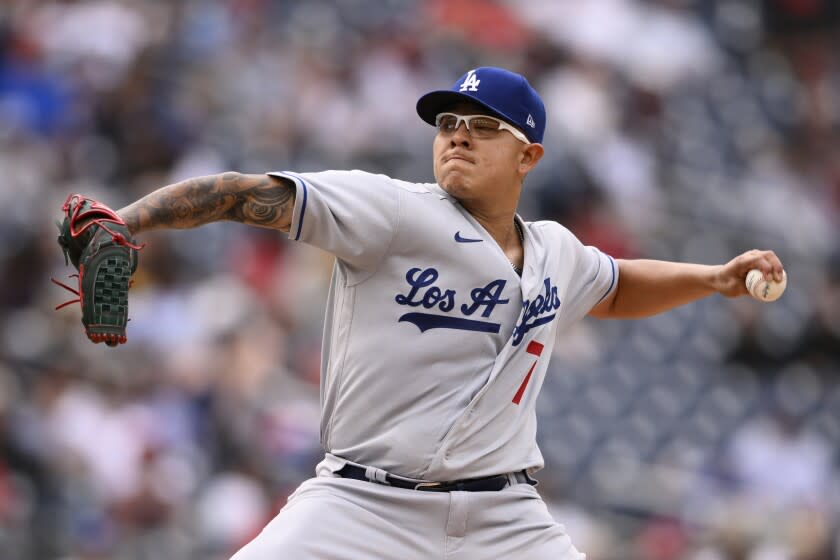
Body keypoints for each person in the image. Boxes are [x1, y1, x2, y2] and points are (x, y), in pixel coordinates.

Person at [111, 67, 785, 559]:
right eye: (448, 124)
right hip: (362, 504)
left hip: (504, 517)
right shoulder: (393, 211)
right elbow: (245, 194)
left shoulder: (555, 249)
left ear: (530, 155)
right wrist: (131, 220)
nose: (458, 137)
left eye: (483, 127)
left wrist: (714, 278)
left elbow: (615, 287)